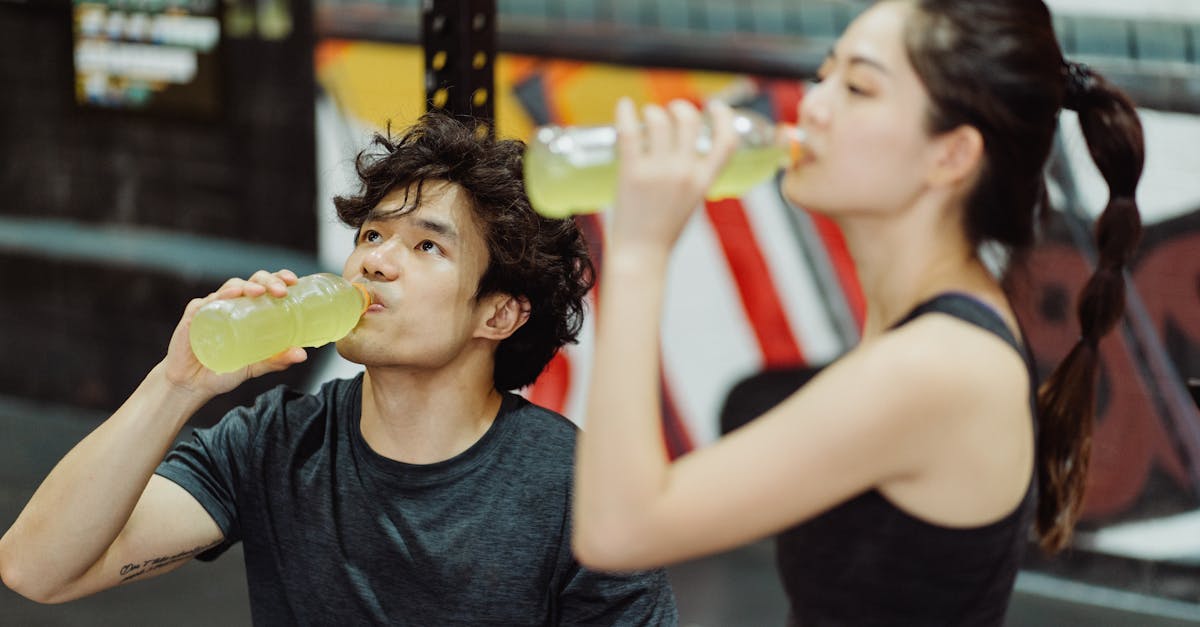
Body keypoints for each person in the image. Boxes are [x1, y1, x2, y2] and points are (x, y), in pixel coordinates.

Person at [572, 1, 1144, 625]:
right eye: (824, 75)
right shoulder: (930, 326)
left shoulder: (936, 365)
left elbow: (618, 531)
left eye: (858, 88)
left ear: (950, 155)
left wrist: (637, 251)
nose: (811, 105)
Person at [0, 111, 678, 625]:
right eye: (372, 234)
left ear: (497, 316)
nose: (374, 261)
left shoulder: (575, 488)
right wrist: (177, 383)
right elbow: (36, 568)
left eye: (426, 246)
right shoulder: (273, 441)